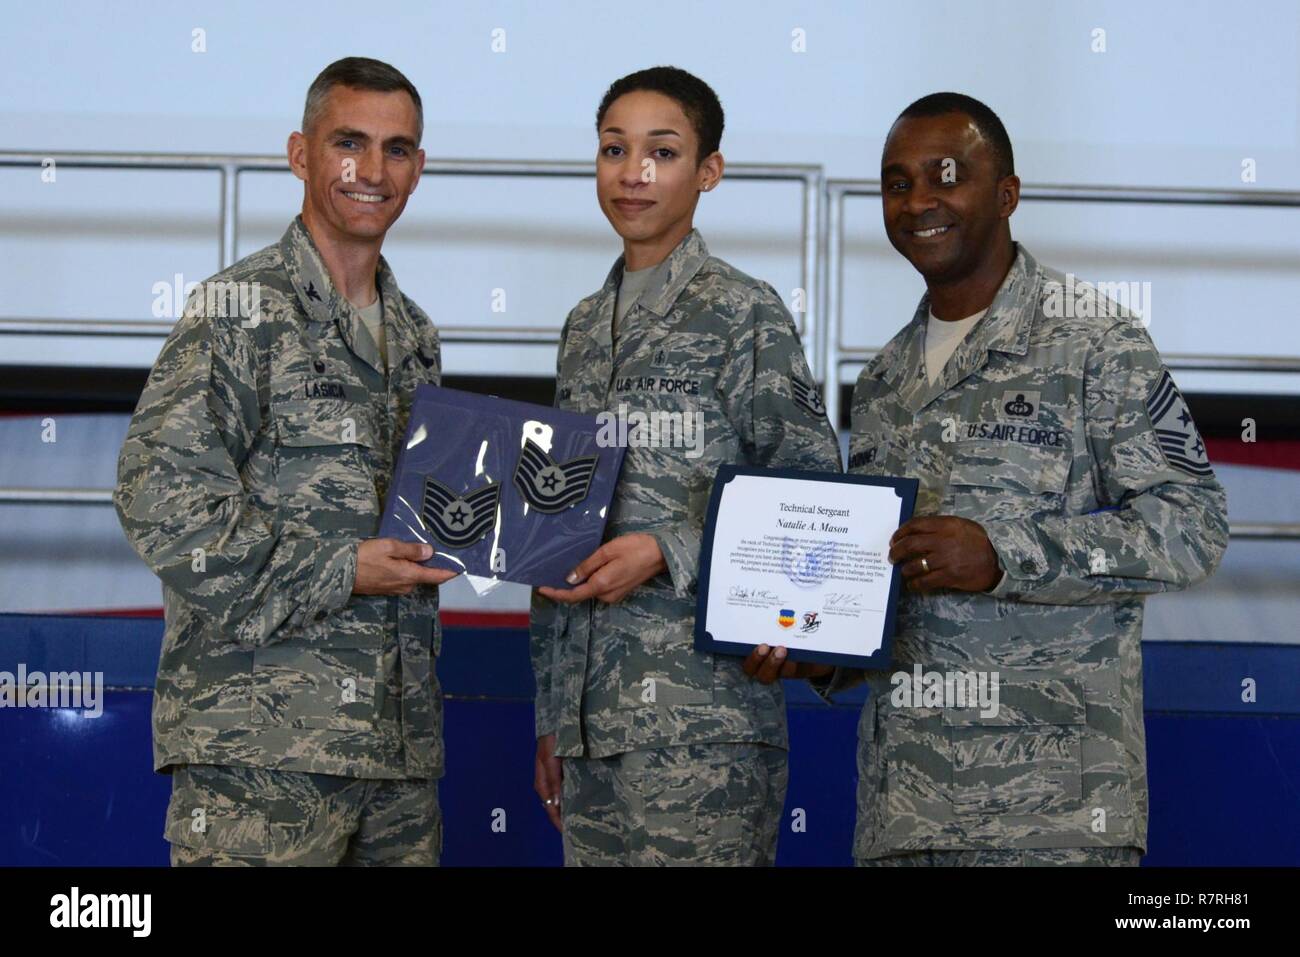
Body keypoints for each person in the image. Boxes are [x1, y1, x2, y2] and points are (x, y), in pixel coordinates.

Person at [745, 92, 1228, 866]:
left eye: (946, 176)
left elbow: (1193, 524)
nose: (919, 201)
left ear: (1007, 193)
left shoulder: (1094, 342)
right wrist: (820, 650)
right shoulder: (882, 381)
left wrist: (1005, 553)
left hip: (1053, 820)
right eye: (897, 183)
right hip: (906, 818)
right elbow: (884, 587)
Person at [113, 56, 457, 866]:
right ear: (300, 154)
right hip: (261, 758)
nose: (372, 171)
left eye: (398, 149)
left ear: (419, 167)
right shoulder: (236, 312)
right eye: (349, 143)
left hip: (398, 764)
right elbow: (157, 495)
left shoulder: (416, 335)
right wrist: (341, 569)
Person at [531, 66, 843, 866]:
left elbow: (813, 494)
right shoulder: (581, 325)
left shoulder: (746, 310)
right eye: (614, 149)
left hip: (704, 724)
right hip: (591, 730)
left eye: (661, 152)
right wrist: (552, 716)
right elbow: (554, 524)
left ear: (708, 172)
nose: (633, 173)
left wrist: (667, 548)